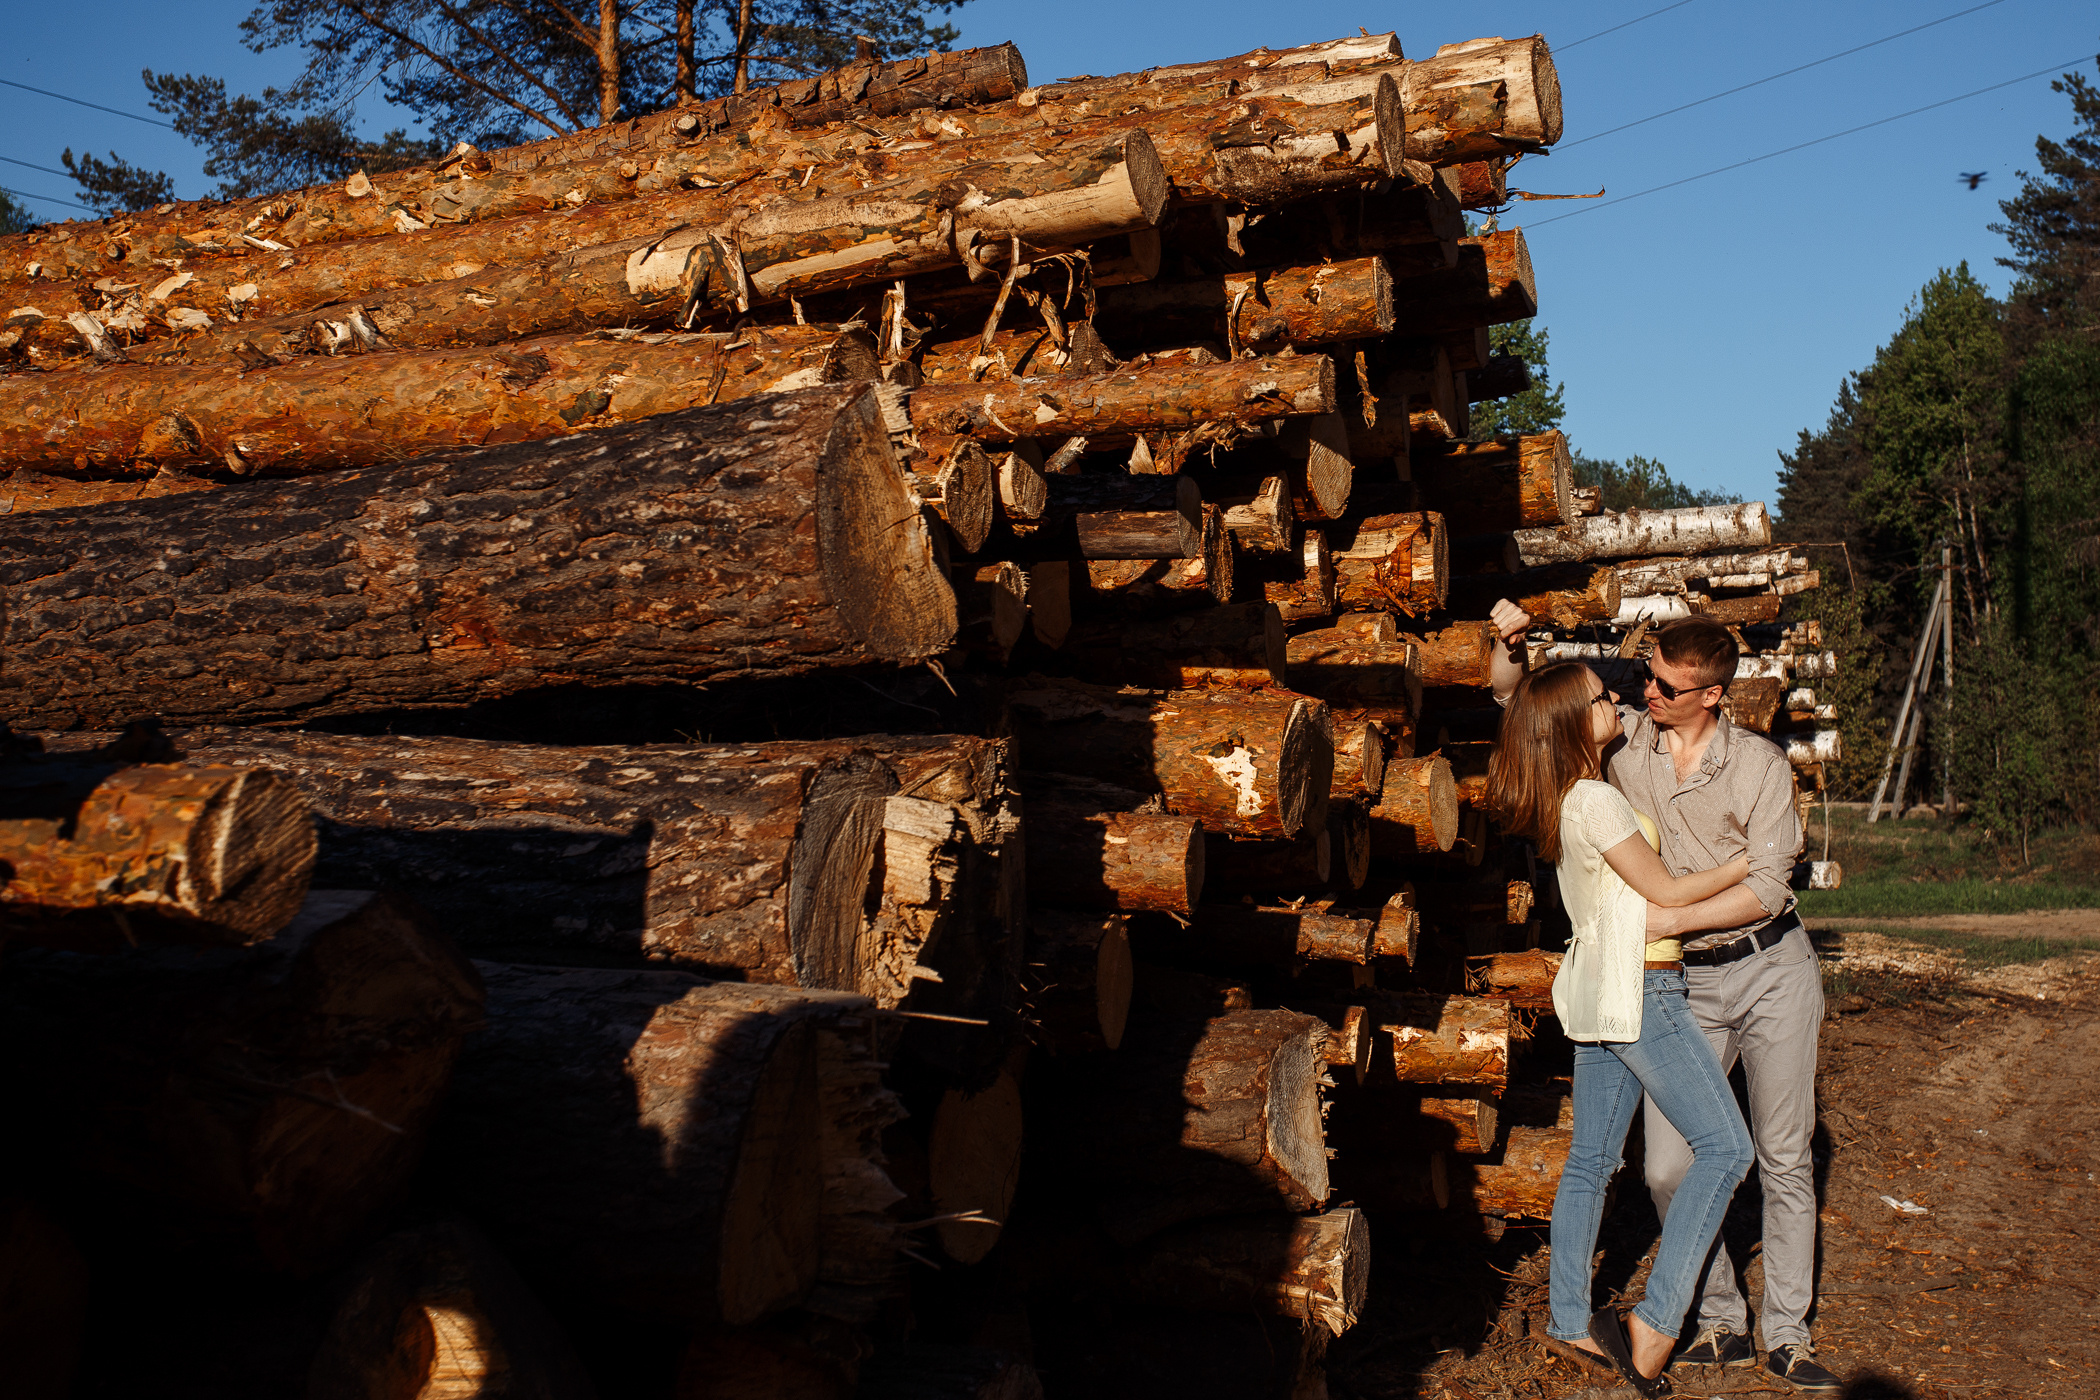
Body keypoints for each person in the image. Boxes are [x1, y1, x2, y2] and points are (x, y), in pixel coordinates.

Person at [1486, 659, 1756, 1398]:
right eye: (1603, 699)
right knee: (1727, 1148)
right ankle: (1658, 1321)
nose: (1617, 703)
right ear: (1575, 719)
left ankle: (1571, 1319)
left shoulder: (1569, 794)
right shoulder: (1596, 799)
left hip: (1600, 990)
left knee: (1592, 1162)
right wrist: (1748, 867)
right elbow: (1663, 890)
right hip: (1642, 989)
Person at [1606, 618, 1836, 1392]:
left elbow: (1769, 887)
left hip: (1774, 972)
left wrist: (1669, 917)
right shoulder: (1627, 745)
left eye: (1666, 687)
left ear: (1711, 695)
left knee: (1783, 1157)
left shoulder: (1762, 769)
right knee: (1668, 1165)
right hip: (1686, 987)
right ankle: (1719, 1320)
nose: (1650, 692)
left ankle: (1788, 1335)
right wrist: (1505, 652)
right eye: (1649, 677)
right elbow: (1534, 708)